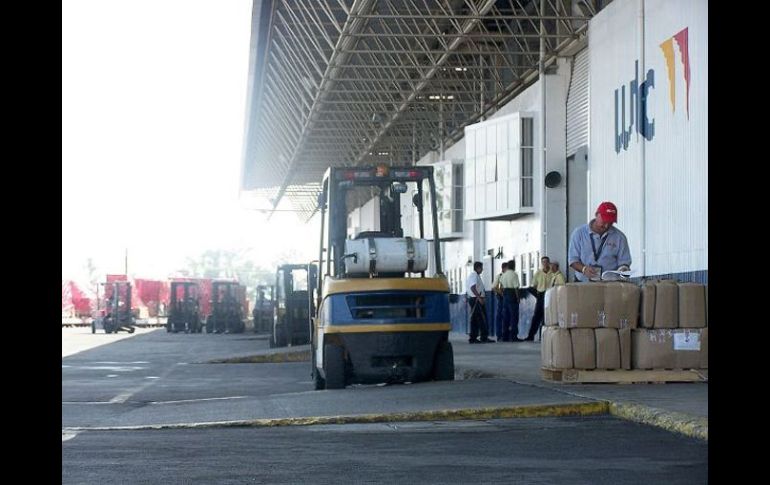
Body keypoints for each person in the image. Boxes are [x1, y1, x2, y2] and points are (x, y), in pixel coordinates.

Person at [568, 201, 631, 282]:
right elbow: (573, 260)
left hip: (610, 285)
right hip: (583, 283)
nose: (606, 226)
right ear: (596, 214)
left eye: (610, 222)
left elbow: (624, 262)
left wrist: (623, 269)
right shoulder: (579, 233)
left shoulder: (620, 237)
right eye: (604, 221)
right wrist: (583, 269)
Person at [465, 261, 493, 343]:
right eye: (481, 268)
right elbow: (473, 287)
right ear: (478, 268)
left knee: (475, 319)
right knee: (481, 319)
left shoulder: (474, 275)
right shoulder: (474, 276)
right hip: (476, 300)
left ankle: (473, 337)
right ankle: (483, 337)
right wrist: (479, 298)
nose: (482, 270)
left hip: (475, 299)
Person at [525, 256, 550, 341]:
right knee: (536, 316)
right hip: (540, 295)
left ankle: (543, 336)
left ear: (549, 263)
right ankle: (530, 336)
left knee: (546, 317)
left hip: (549, 295)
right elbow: (534, 285)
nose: (545, 263)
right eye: (543, 262)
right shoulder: (538, 273)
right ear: (541, 263)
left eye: (546, 262)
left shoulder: (552, 273)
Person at [499, 259, 522, 342]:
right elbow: (516, 287)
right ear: (514, 266)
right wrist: (518, 298)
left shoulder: (503, 275)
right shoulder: (514, 275)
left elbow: (500, 287)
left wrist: (503, 294)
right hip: (512, 295)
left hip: (505, 295)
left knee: (506, 317)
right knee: (514, 317)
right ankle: (513, 336)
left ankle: (505, 336)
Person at [491, 262, 508, 342]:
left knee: (507, 317)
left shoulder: (509, 276)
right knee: (500, 317)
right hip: (501, 298)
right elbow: (494, 287)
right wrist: (501, 293)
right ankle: (499, 335)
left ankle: (506, 335)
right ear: (503, 268)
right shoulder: (499, 276)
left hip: (508, 298)